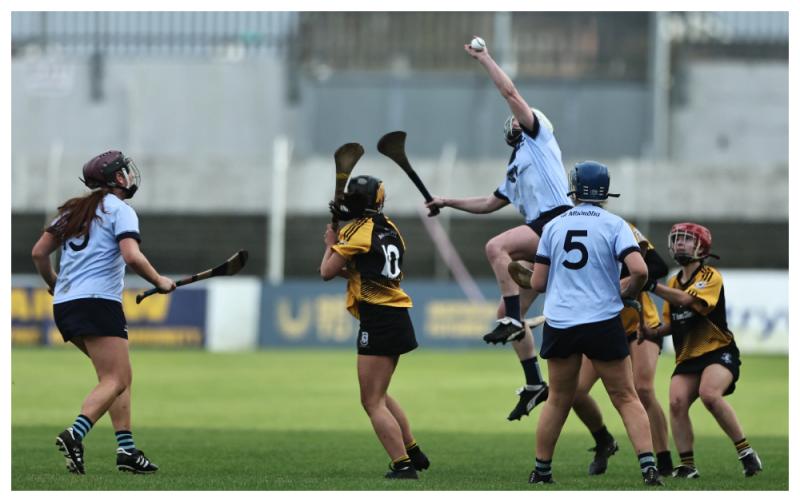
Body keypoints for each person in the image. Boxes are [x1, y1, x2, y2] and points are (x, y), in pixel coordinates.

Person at [425, 36, 574, 421]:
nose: (512, 120)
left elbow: (509, 90)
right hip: (542, 228)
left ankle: (511, 320)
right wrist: (447, 201)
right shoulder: (515, 164)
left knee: (496, 249)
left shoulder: (538, 137)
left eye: (517, 116)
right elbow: (490, 203)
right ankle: (533, 382)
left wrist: (485, 58)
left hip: (556, 220)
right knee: (506, 310)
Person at [31, 150, 176, 475]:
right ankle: (75, 434)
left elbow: (39, 252)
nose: (129, 175)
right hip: (98, 302)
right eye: (124, 171)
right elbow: (131, 255)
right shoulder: (119, 210)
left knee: (115, 378)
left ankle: (126, 451)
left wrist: (54, 282)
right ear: (116, 179)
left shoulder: (74, 210)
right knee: (116, 378)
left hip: (66, 306)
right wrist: (159, 281)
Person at [528, 161, 662, 486]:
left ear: (573, 188)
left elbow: (537, 283)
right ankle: (648, 467)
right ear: (605, 190)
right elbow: (641, 270)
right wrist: (627, 289)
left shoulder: (554, 227)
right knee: (626, 397)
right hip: (602, 320)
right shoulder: (616, 225)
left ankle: (542, 471)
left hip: (561, 322)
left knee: (559, 397)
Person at [322, 175, 430, 480]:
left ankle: (402, 465)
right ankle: (412, 449)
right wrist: (342, 247)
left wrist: (331, 245)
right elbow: (367, 272)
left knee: (370, 401)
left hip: (379, 319)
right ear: (378, 200)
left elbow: (326, 272)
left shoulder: (356, 232)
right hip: (397, 316)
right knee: (380, 394)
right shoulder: (390, 227)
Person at [639, 223, 763, 479]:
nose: (679, 244)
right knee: (676, 401)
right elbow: (672, 323)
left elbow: (687, 301)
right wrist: (653, 332)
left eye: (686, 240)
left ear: (701, 248)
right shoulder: (674, 280)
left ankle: (746, 452)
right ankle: (687, 465)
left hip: (718, 350)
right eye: (677, 240)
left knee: (709, 394)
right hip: (688, 356)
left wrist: (648, 285)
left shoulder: (710, 276)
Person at [568, 225, 674, 476]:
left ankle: (664, 460)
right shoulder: (569, 230)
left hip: (640, 324)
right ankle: (604, 440)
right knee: (575, 392)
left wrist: (626, 280)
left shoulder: (620, 227)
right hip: (602, 326)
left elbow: (658, 267)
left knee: (644, 389)